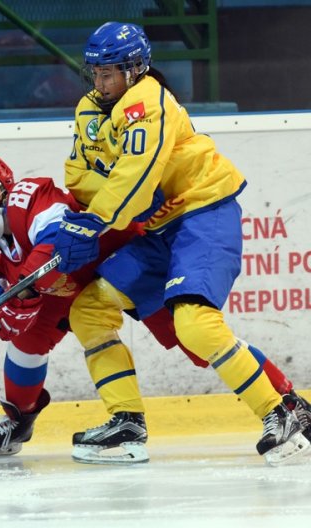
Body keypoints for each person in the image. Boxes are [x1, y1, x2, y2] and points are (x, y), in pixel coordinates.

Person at [0, 152, 310, 464]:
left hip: (119, 260)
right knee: (27, 343)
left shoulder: (28, 196)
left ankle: (288, 400)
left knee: (196, 339)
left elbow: (53, 237)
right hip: (60, 288)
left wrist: (23, 287)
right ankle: (23, 422)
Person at [53, 21, 311, 465]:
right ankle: (126, 421)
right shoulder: (89, 109)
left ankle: (280, 412)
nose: (101, 82)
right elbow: (76, 175)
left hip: (204, 214)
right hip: (158, 230)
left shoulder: (147, 102)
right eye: (95, 73)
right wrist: (98, 209)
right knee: (90, 309)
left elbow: (135, 175)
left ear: (136, 70)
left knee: (194, 322)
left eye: (110, 72)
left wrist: (97, 218)